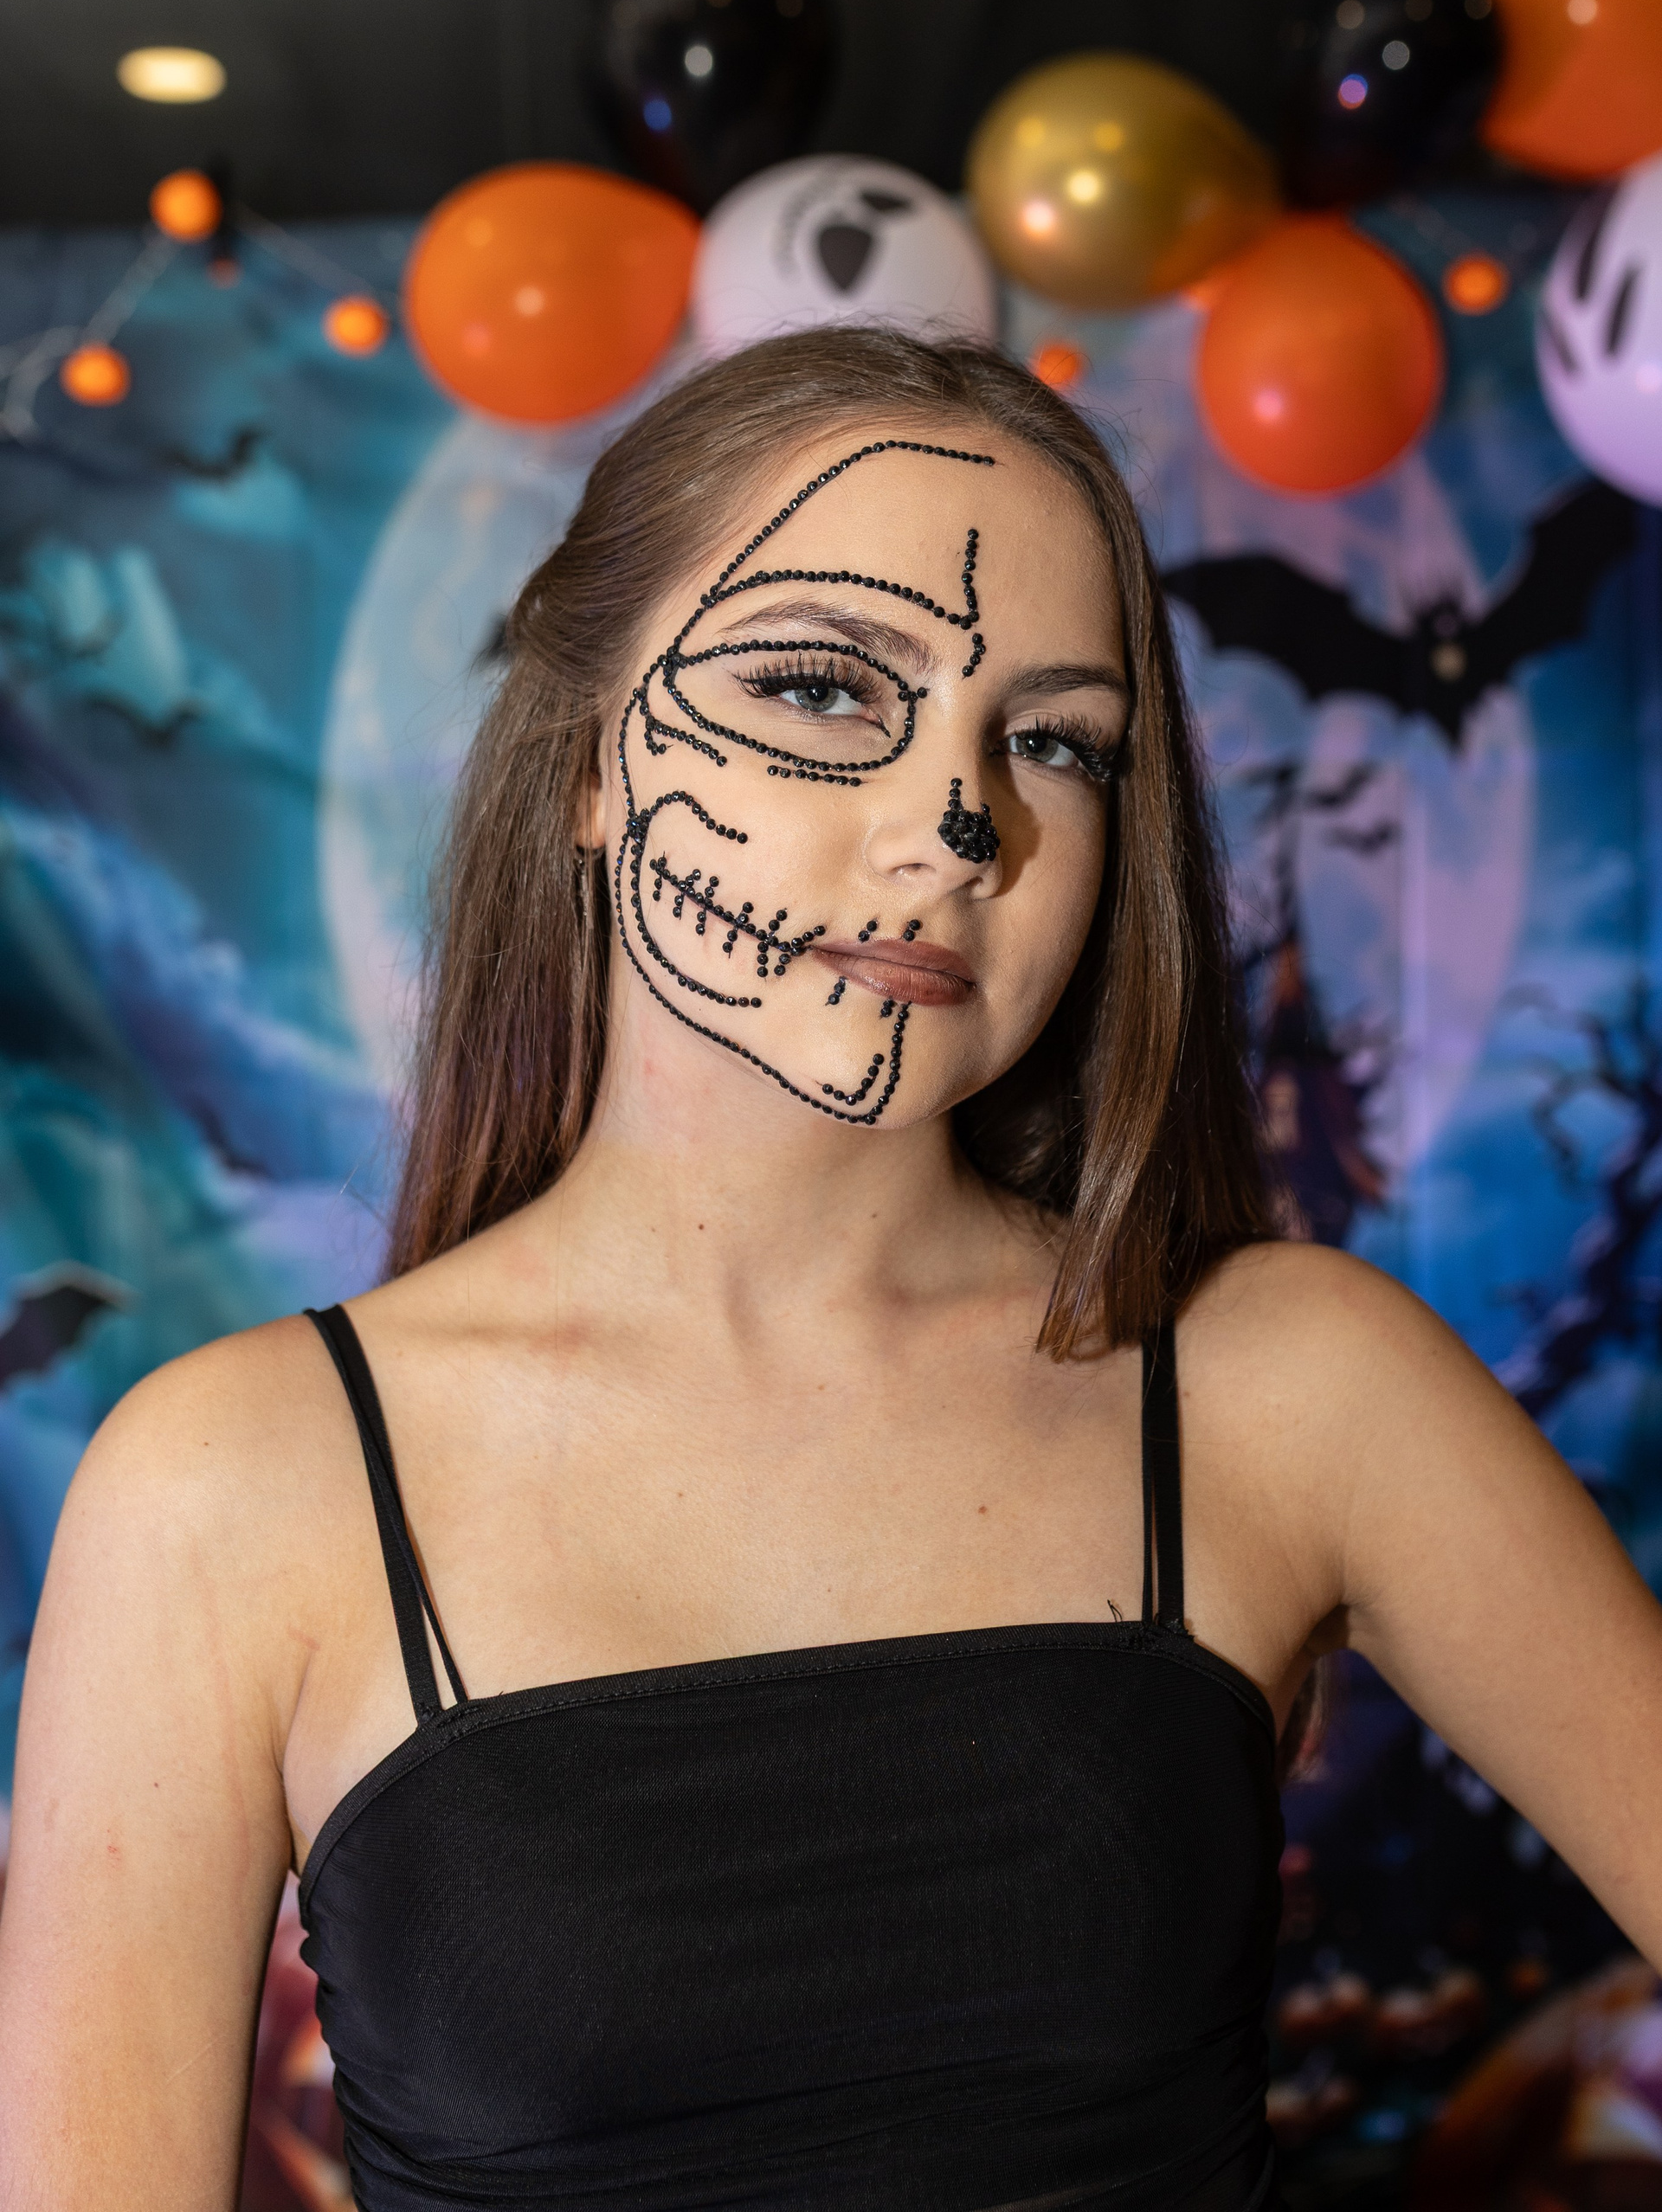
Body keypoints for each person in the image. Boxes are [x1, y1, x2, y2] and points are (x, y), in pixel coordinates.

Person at [2, 329, 1659, 2212]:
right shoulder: (231, 1488)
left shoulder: (1291, 1384)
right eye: (818, 685)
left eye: (1054, 741)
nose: (959, 829)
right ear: (588, 763)